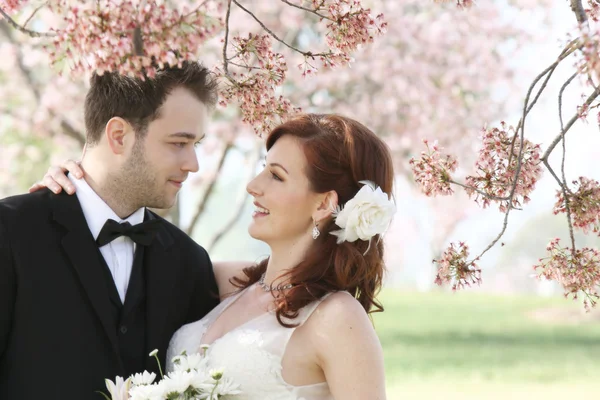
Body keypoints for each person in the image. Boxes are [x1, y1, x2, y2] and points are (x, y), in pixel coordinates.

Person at [37, 113, 395, 399]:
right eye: (262, 168)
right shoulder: (231, 281)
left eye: (276, 176)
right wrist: (78, 191)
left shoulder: (337, 318)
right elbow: (117, 259)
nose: (254, 186)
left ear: (323, 204)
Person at [0, 61, 221, 400]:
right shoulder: (11, 230)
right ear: (119, 136)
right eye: (179, 143)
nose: (193, 164)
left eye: (196, 144)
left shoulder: (190, 262)